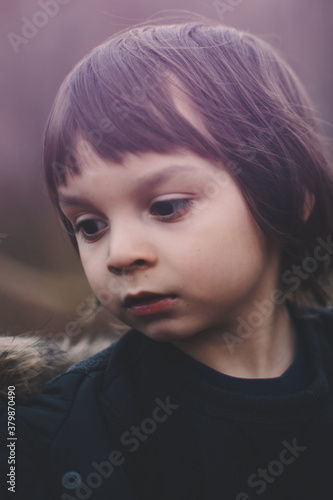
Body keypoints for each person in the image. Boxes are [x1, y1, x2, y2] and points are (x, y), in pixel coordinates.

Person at [1, 17, 333, 500]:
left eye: (167, 207)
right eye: (90, 226)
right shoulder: (46, 437)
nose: (120, 254)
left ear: (291, 193)